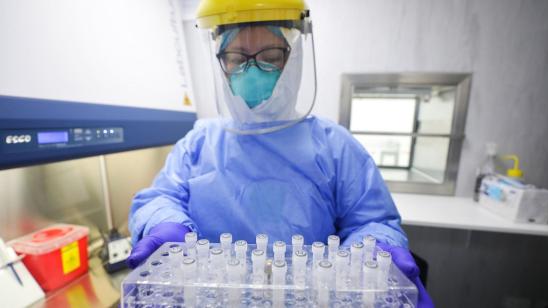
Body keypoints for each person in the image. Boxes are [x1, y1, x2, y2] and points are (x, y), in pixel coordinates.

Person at [127, 0, 433, 306]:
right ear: (222, 63)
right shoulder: (199, 142)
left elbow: (370, 220)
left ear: (295, 57)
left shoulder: (333, 145)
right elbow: (162, 196)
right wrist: (164, 222)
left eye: (271, 57)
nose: (252, 70)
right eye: (236, 58)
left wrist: (376, 248)